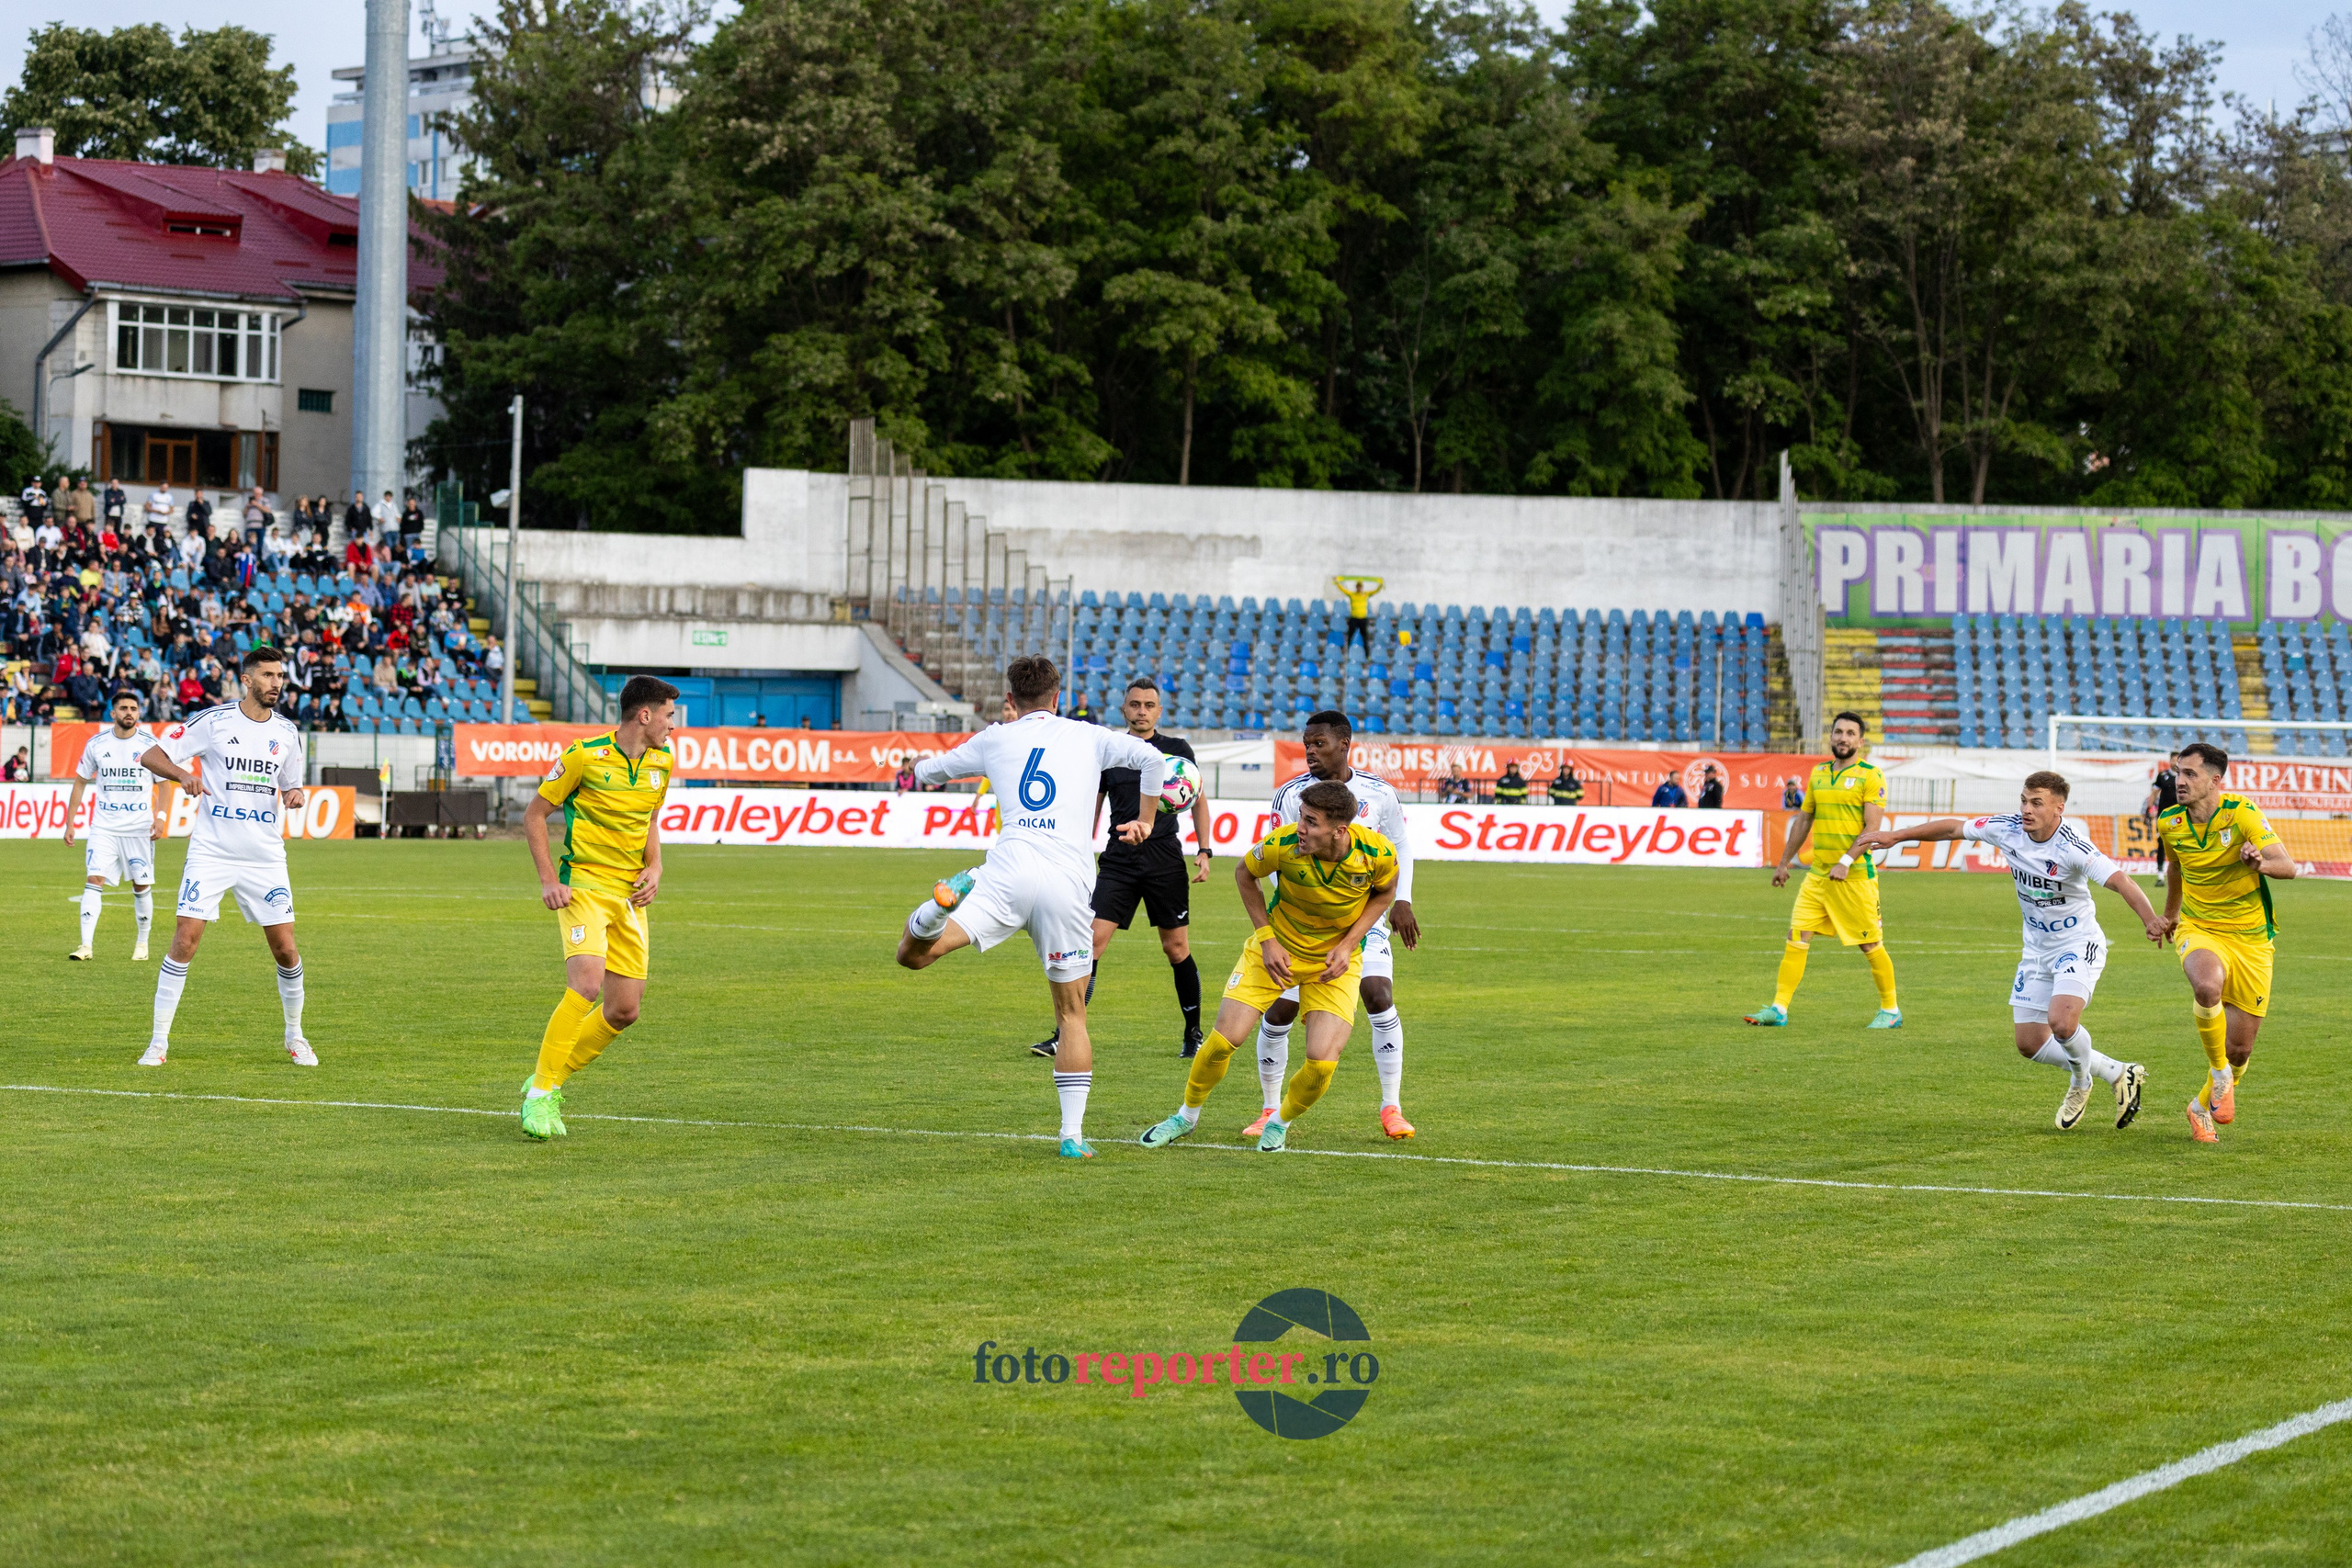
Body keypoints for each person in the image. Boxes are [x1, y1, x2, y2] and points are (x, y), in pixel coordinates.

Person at [895, 655, 1168, 1160]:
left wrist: (915, 766)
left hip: (1007, 874)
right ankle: (1072, 1137)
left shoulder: (995, 737)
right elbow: (1155, 762)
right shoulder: (1089, 735)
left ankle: (934, 910)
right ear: (1057, 698)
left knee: (912, 956)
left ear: (1011, 699)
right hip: (1066, 885)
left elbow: (930, 772)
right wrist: (1146, 820)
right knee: (1071, 1014)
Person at [1853, 772, 2164, 1132]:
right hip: (2036, 949)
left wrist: (2150, 919)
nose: (2026, 809)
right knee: (2029, 1044)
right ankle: (2118, 1072)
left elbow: (2121, 880)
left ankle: (2081, 1083)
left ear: (2058, 808)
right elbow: (1953, 828)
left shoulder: (2072, 847)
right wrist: (1896, 836)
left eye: (2037, 803)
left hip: (2077, 944)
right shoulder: (2007, 828)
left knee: (2062, 1022)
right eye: (2024, 800)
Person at [1140, 779, 1399, 1154]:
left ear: (1340, 830)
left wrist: (1348, 945)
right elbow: (1244, 873)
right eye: (1301, 817)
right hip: (1276, 953)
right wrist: (1267, 939)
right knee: (1223, 1041)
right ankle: (1185, 1117)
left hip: (1332, 966)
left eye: (1310, 821)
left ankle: (1279, 1122)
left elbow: (1385, 892)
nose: (1300, 828)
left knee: (1321, 1064)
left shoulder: (1377, 853)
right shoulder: (1283, 843)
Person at [518, 675, 682, 1140]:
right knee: (586, 984)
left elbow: (650, 819)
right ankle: (539, 1097)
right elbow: (534, 815)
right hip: (585, 887)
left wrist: (656, 866)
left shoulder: (663, 761)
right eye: (669, 715)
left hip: (629, 896)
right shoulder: (583, 756)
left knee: (624, 1011)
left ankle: (549, 1078)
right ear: (645, 715)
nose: (673, 725)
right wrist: (549, 881)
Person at [137, 646, 313, 1066]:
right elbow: (151, 755)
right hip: (212, 852)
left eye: (280, 676)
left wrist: (294, 794)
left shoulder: (287, 732)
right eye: (268, 675)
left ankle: (295, 1035)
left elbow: (292, 785)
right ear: (247, 680)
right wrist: (183, 774)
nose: (276, 683)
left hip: (264, 856)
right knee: (184, 940)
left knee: (286, 949)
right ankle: (158, 1042)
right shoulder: (214, 721)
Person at [1248, 710, 1419, 1139]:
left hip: (1363, 921)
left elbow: (1400, 846)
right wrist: (1311, 909)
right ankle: (1269, 1109)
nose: (1310, 751)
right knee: (1281, 1009)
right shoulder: (1290, 795)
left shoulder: (1379, 793)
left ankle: (1392, 1106)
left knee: (1379, 995)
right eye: (1306, 744)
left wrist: (1402, 899)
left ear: (1344, 745)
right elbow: (1279, 859)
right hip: (1303, 924)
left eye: (1319, 744)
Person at [1031, 676, 1215, 1062]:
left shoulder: (1177, 750)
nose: (1141, 711)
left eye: (1148, 705)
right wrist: (1073, 848)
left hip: (1164, 860)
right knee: (1090, 945)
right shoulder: (1110, 750)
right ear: (1124, 709)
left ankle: (1193, 1033)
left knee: (1176, 948)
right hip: (1118, 861)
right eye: (1135, 704)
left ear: (1159, 711)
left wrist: (1204, 849)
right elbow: (1092, 806)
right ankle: (1065, 1034)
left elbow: (1197, 799)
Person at [2155, 742, 2297, 1144]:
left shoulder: (2242, 813)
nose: (2180, 781)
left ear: (2216, 780)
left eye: (2190, 774)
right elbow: (2175, 867)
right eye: (2179, 772)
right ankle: (2220, 1076)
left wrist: (2259, 864)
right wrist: (2171, 915)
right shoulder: (2169, 822)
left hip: (2251, 939)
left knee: (2240, 1051)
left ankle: (2200, 1107)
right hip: (2200, 927)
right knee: (2206, 985)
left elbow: (2287, 867)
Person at [1745, 711, 1901, 1029]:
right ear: (1831, 736)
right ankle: (1779, 1008)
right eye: (1838, 732)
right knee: (1797, 935)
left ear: (1860, 741)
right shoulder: (1818, 773)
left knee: (1870, 944)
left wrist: (1846, 862)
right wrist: (1784, 862)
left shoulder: (1871, 776)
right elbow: (1804, 821)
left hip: (1855, 878)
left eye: (1850, 733)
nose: (1843, 738)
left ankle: (1891, 1010)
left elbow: (1872, 828)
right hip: (1818, 876)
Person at [62, 691, 163, 962]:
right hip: (104, 827)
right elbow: (80, 782)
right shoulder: (96, 744)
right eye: (124, 708)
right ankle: (85, 945)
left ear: (139, 713)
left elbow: (164, 783)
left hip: (138, 828)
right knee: (94, 879)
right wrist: (70, 823)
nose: (129, 713)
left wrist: (161, 817)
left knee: (141, 885)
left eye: (133, 708)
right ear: (113, 712)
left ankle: (142, 943)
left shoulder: (150, 745)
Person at [1333, 575, 1384, 652]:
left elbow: (1376, 591)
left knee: (1365, 638)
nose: (1359, 588)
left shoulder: (1365, 594)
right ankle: (1348, 652)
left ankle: (1367, 654)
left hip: (1363, 619)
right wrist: (1337, 582)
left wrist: (1380, 585)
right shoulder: (1352, 594)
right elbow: (1343, 590)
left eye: (1360, 587)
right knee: (1350, 636)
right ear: (1356, 587)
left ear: (1362, 587)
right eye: (1358, 587)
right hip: (1354, 618)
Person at [2144, 761, 2177, 875]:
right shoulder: (2162, 776)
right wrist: (2149, 808)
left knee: (2179, 843)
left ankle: (2183, 871)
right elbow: (2154, 793)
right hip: (2164, 816)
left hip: (2179, 816)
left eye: (2177, 759)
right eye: (2173, 759)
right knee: (2162, 844)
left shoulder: (2183, 777)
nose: (2175, 762)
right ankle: (2160, 874)